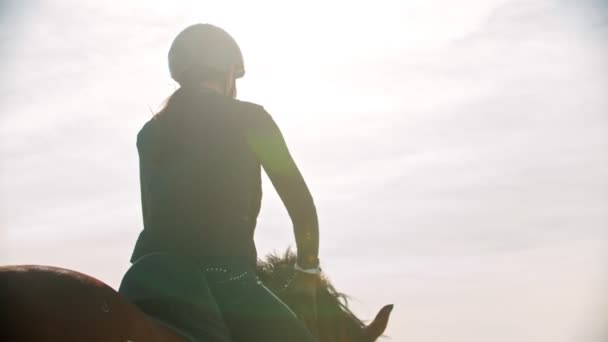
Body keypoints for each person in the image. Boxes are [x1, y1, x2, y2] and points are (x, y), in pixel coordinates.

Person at [118, 23, 321, 342]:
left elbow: (153, 215)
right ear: (228, 72)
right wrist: (308, 269)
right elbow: (301, 205)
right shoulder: (252, 119)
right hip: (222, 278)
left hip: (143, 278)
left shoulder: (150, 133)